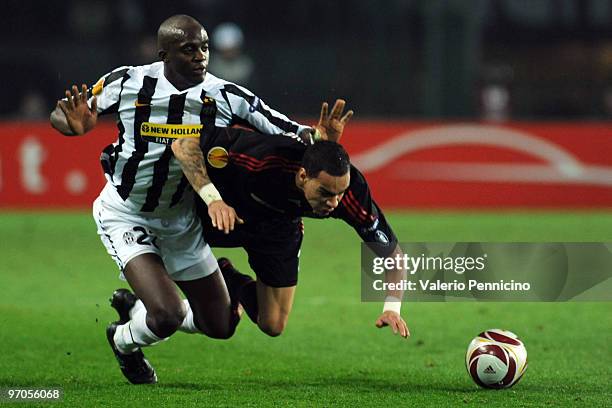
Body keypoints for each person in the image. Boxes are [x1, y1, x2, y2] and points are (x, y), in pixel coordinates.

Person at [49, 14, 320, 385]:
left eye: (204, 47)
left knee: (223, 325)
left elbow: (287, 129)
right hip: (127, 213)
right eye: (189, 49)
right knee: (169, 316)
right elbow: (62, 114)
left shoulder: (225, 94)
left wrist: (320, 137)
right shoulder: (128, 81)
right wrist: (71, 125)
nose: (200, 56)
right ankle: (124, 341)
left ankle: (138, 308)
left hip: (182, 221)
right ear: (164, 54)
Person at [170, 100, 410, 339]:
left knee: (273, 324)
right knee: (163, 256)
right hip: (228, 213)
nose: (334, 202)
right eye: (325, 193)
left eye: (340, 193)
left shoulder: (350, 193)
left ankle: (228, 277)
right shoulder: (263, 156)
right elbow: (184, 144)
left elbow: (393, 256)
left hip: (278, 228)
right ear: (303, 176)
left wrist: (391, 309)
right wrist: (213, 199)